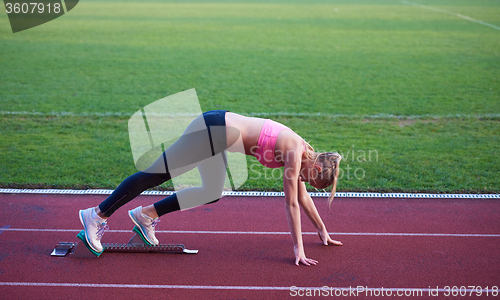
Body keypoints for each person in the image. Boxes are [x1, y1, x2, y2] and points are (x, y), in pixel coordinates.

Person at [79, 110, 343, 266]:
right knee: (156, 175)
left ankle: (146, 214)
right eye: (312, 180)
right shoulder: (295, 151)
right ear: (317, 168)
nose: (306, 182)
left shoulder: (304, 154)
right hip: (212, 129)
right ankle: (97, 215)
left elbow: (302, 196)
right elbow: (292, 202)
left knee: (212, 192)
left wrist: (322, 231)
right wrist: (298, 248)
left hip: (218, 137)